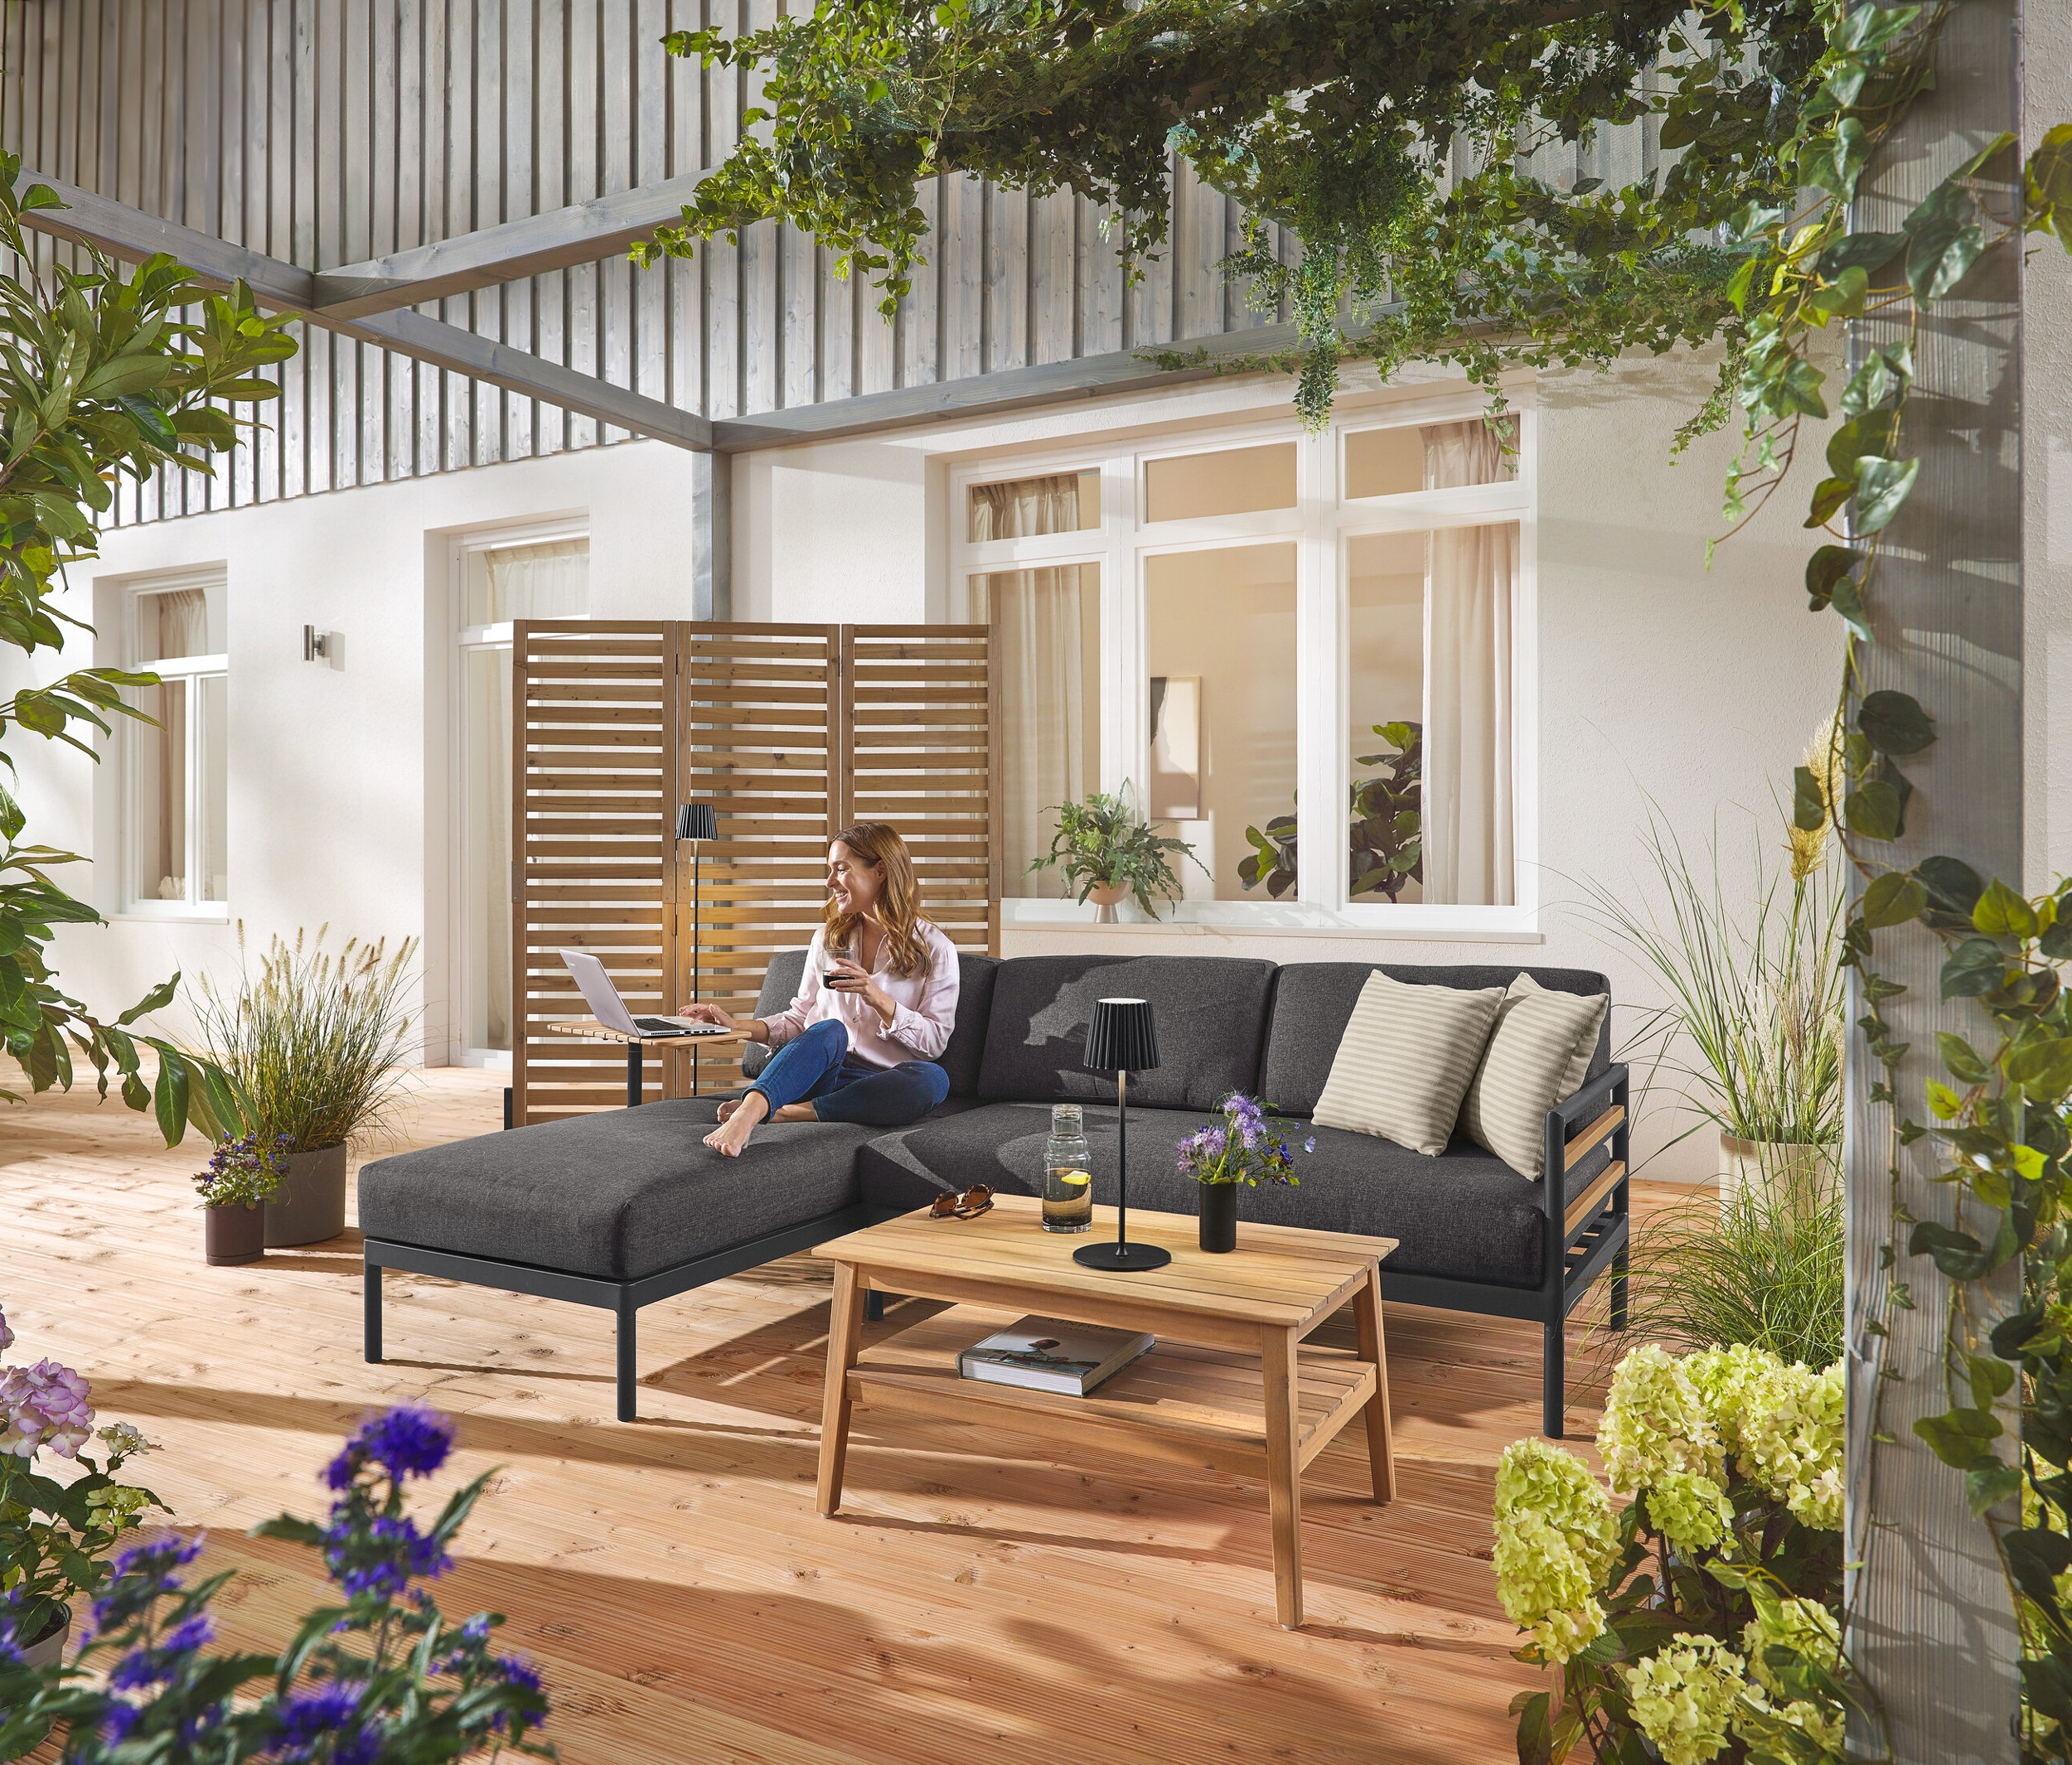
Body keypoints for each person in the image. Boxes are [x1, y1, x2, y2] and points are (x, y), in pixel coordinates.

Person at [680, 821, 959, 1157]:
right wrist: (740, 1027)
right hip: (819, 1072)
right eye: (830, 870)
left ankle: (789, 1112)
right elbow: (799, 1020)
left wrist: (878, 998)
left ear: (881, 871)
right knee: (830, 1030)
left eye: (841, 870)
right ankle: (749, 1112)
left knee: (933, 1079)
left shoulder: (934, 949)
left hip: (877, 1087)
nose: (830, 883)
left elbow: (934, 1043)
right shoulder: (828, 939)